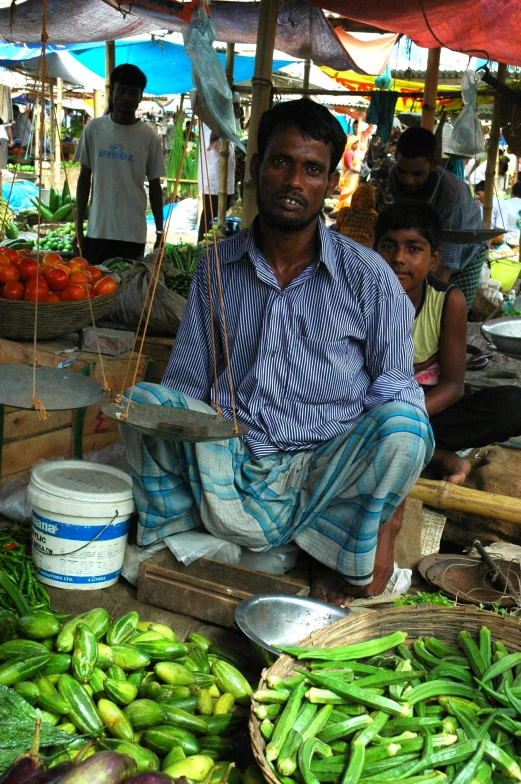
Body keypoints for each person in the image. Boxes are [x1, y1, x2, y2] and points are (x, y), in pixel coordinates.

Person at [119, 98, 433, 607]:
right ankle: (185, 535)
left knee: (405, 427)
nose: (294, 181)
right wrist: (172, 428)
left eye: (312, 169)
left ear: (331, 184)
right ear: (256, 167)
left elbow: (396, 386)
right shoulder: (217, 265)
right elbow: (187, 382)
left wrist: (390, 513)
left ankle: (332, 544)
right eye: (281, 161)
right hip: (233, 449)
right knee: (144, 404)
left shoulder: (369, 277)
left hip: (319, 468)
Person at [375, 200, 521, 485]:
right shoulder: (359, 299)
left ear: (434, 259)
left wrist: (405, 418)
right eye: (388, 246)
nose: (399, 258)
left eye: (414, 248)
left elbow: (453, 387)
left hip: (425, 409)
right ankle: (433, 454)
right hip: (372, 410)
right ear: (373, 251)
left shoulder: (447, 300)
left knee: (513, 404)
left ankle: (407, 443)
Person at [376, 127, 486, 309]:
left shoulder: (452, 197)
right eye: (403, 171)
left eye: (417, 174)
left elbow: (445, 266)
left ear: (434, 164)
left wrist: (426, 309)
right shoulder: (394, 177)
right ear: (396, 159)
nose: (408, 180)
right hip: (425, 244)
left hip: (467, 252)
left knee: (447, 309)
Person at [73, 64, 165, 266]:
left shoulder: (148, 137)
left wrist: (160, 231)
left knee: (128, 293)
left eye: (133, 92)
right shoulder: (94, 130)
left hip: (133, 233)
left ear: (141, 97)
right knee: (94, 292)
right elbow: (84, 180)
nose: (126, 98)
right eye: (121, 90)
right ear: (112, 92)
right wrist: (78, 227)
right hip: (98, 230)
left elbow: (156, 187)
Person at [197, 123, 235, 242]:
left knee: (219, 214)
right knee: (210, 215)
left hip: (225, 174)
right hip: (215, 175)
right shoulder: (214, 118)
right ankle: (203, 250)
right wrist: (223, 122)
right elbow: (214, 135)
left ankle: (212, 248)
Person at [334, 183, 378, 247]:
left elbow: (337, 229)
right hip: (363, 252)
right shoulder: (374, 217)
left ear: (354, 197)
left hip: (343, 248)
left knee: (333, 226)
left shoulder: (345, 211)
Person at [337, 136, 361, 208]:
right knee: (346, 196)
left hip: (353, 179)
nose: (357, 145)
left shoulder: (354, 153)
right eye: (356, 143)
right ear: (352, 144)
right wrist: (360, 172)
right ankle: (342, 210)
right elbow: (350, 167)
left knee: (352, 196)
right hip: (349, 179)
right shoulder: (349, 153)